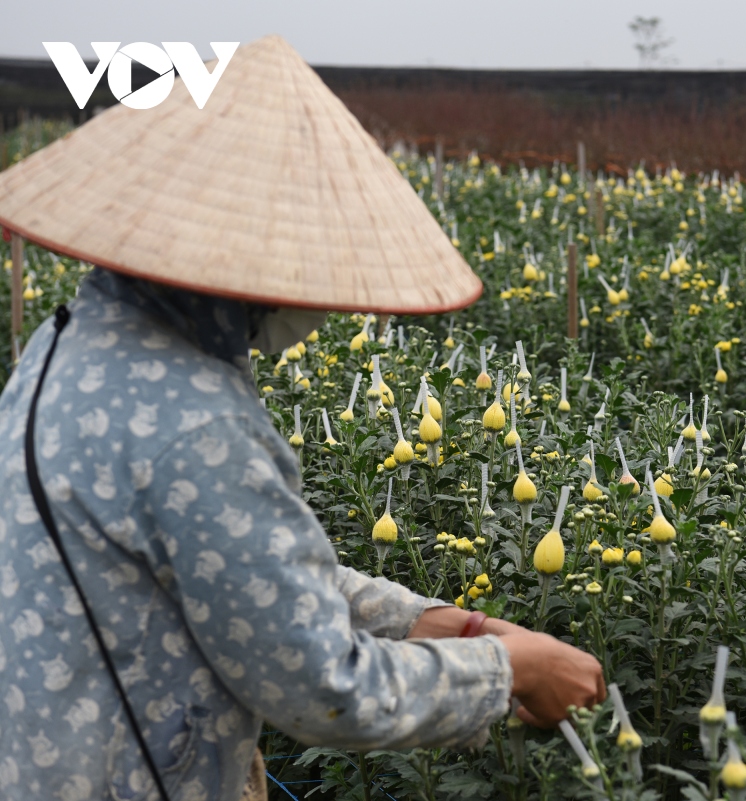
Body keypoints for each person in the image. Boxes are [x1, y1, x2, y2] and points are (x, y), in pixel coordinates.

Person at [0, 36, 603, 801]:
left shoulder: (67, 344)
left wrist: (425, 620)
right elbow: (325, 684)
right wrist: (510, 670)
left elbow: (237, 572)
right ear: (244, 270)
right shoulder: (198, 424)